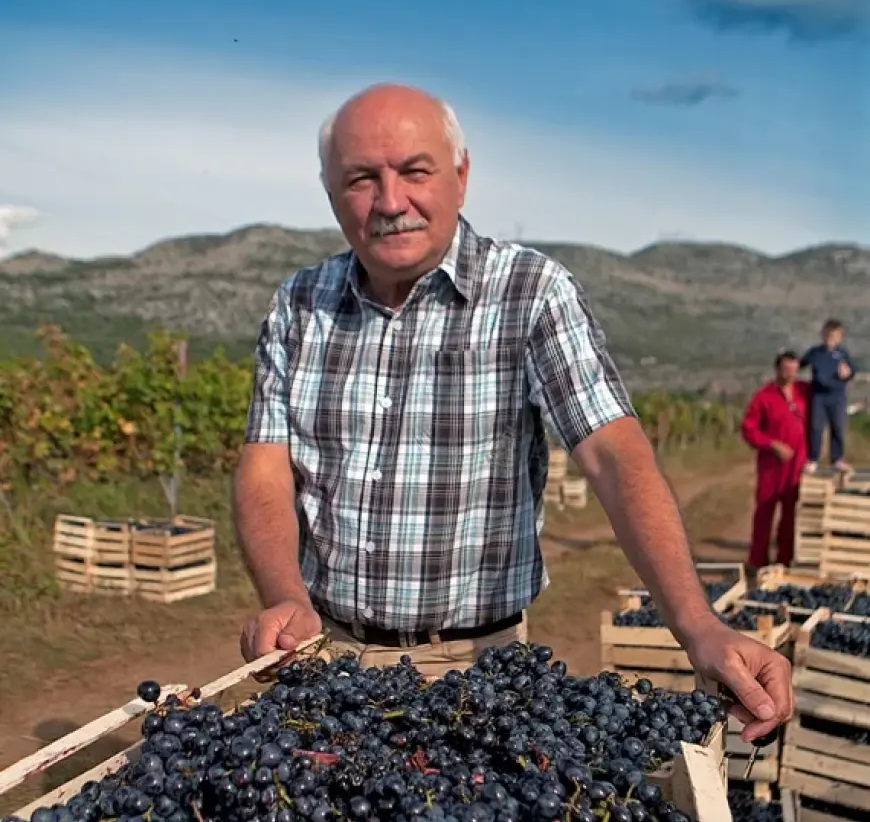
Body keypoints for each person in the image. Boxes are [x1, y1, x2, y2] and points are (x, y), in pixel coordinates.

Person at [233, 82, 792, 741]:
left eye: (415, 171)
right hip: (326, 661)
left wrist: (697, 625)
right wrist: (286, 596)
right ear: (330, 192)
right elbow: (266, 467)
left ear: (461, 176)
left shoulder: (531, 293)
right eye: (361, 179)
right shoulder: (300, 303)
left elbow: (614, 456)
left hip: (477, 673)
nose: (390, 202)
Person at [741, 351, 810, 571]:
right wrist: (772, 444)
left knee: (791, 515)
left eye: (793, 368)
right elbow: (748, 428)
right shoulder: (764, 396)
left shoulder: (805, 392)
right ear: (777, 369)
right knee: (765, 511)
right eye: (785, 368)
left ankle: (784, 561)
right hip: (771, 465)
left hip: (798, 464)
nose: (789, 373)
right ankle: (757, 561)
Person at [800, 319, 854, 473]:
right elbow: (801, 363)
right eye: (828, 335)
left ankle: (837, 459)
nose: (830, 339)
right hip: (819, 395)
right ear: (822, 336)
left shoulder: (842, 354)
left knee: (838, 427)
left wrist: (847, 373)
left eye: (834, 336)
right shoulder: (815, 352)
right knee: (816, 427)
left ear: (840, 337)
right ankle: (813, 459)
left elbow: (851, 371)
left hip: (837, 396)